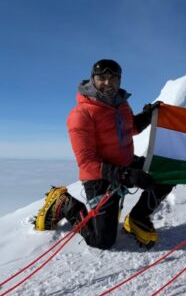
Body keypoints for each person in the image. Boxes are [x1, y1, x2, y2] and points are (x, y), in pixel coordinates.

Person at [36, 59, 173, 249]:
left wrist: (147, 117)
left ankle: (137, 219)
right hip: (99, 175)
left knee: (168, 173)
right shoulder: (81, 114)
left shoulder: (121, 104)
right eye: (102, 78)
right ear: (93, 79)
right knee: (102, 241)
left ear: (119, 80)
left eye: (113, 78)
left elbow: (129, 128)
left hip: (125, 163)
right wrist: (125, 175)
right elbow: (86, 162)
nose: (108, 83)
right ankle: (64, 202)